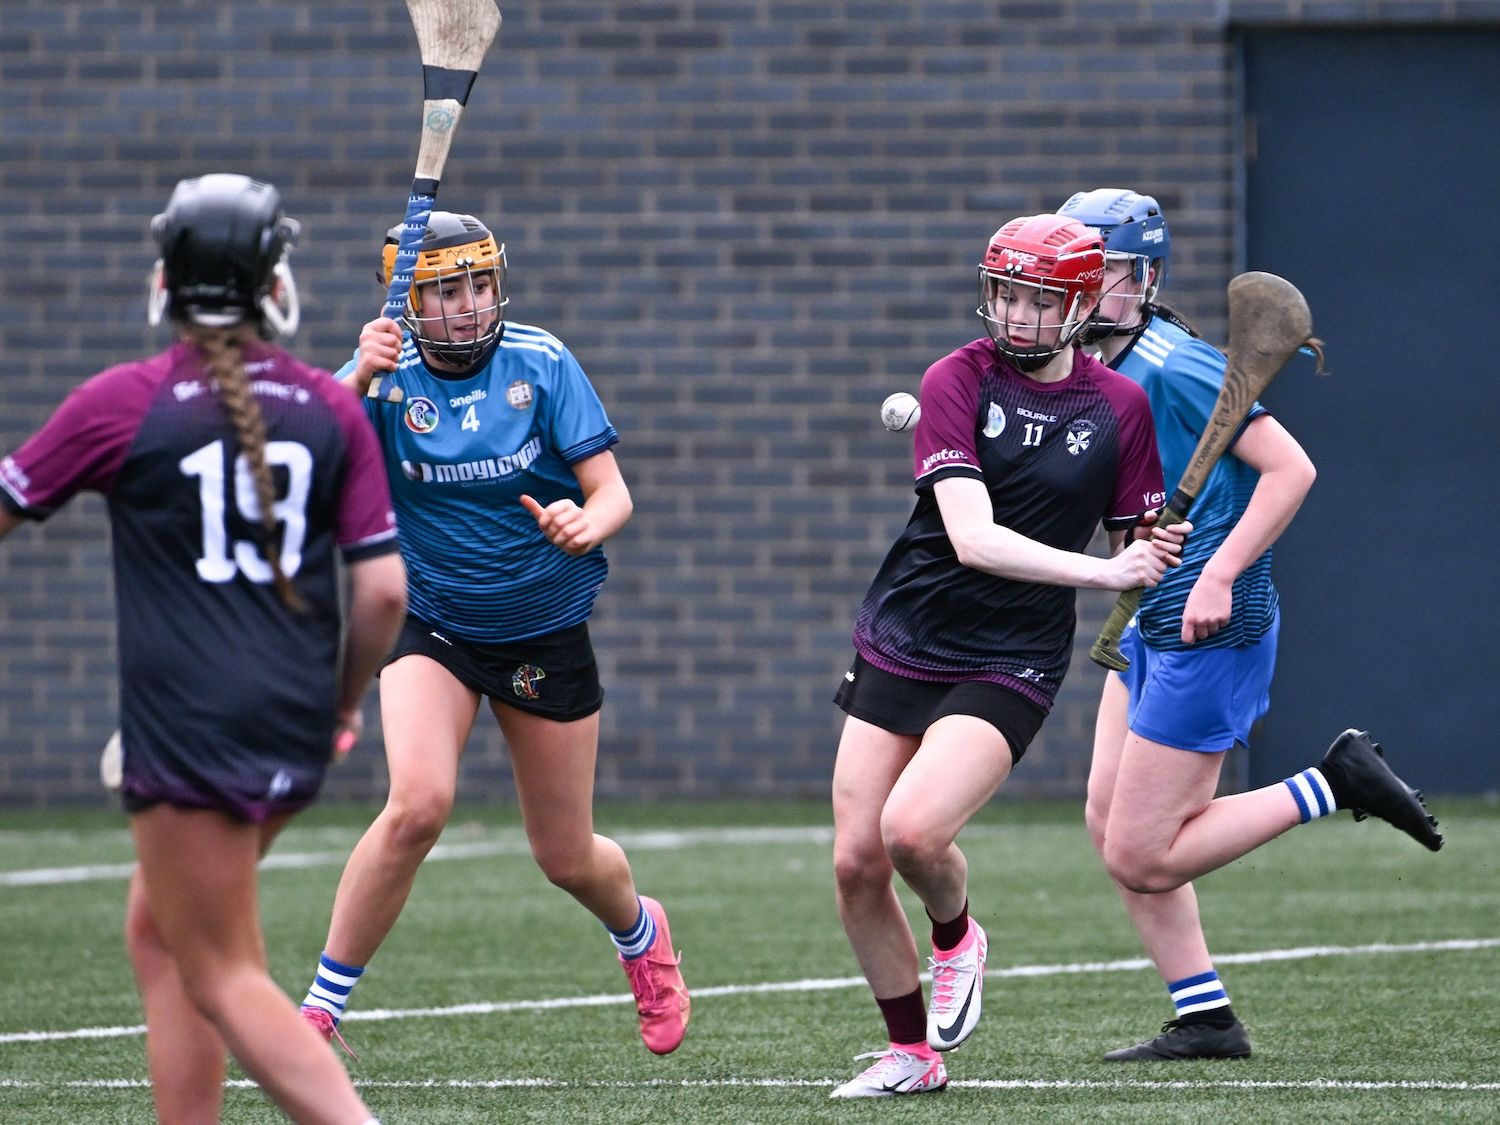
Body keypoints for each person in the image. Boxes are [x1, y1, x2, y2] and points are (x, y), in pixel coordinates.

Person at [0, 173, 408, 1124]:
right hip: (294, 719)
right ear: (275, 287)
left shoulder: (121, 402)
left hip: (186, 725)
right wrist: (344, 702)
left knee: (220, 970)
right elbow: (383, 590)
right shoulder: (330, 407)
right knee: (162, 930)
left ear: (164, 282)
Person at [1057, 188, 1442, 1062]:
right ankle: (1206, 1017)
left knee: (1147, 855)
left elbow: (1291, 469)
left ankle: (1334, 782)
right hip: (1154, 616)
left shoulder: (1176, 363)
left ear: (1144, 279)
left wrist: (1222, 571)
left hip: (1208, 629)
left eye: (1101, 273)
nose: (1080, 291)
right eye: (1068, 273)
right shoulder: (1096, 369)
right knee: (1106, 818)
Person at [296, 211, 690, 1057]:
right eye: (446, 290)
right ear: (406, 302)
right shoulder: (384, 373)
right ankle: (319, 1013)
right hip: (429, 622)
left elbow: (612, 490)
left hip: (541, 625)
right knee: (417, 805)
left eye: (479, 283)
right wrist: (357, 375)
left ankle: (639, 933)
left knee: (566, 855)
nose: (471, 305)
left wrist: (587, 525)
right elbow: (306, 451)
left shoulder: (541, 363)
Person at [828, 214, 1188, 1098]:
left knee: (912, 831)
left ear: (1075, 306)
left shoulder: (1121, 407)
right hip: (907, 630)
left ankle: (956, 935)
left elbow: (1138, 535)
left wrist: (1156, 548)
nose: (1017, 316)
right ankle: (911, 1053)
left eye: (1037, 300)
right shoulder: (955, 377)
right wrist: (1108, 571)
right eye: (1006, 295)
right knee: (855, 861)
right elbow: (973, 536)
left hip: (1012, 655)